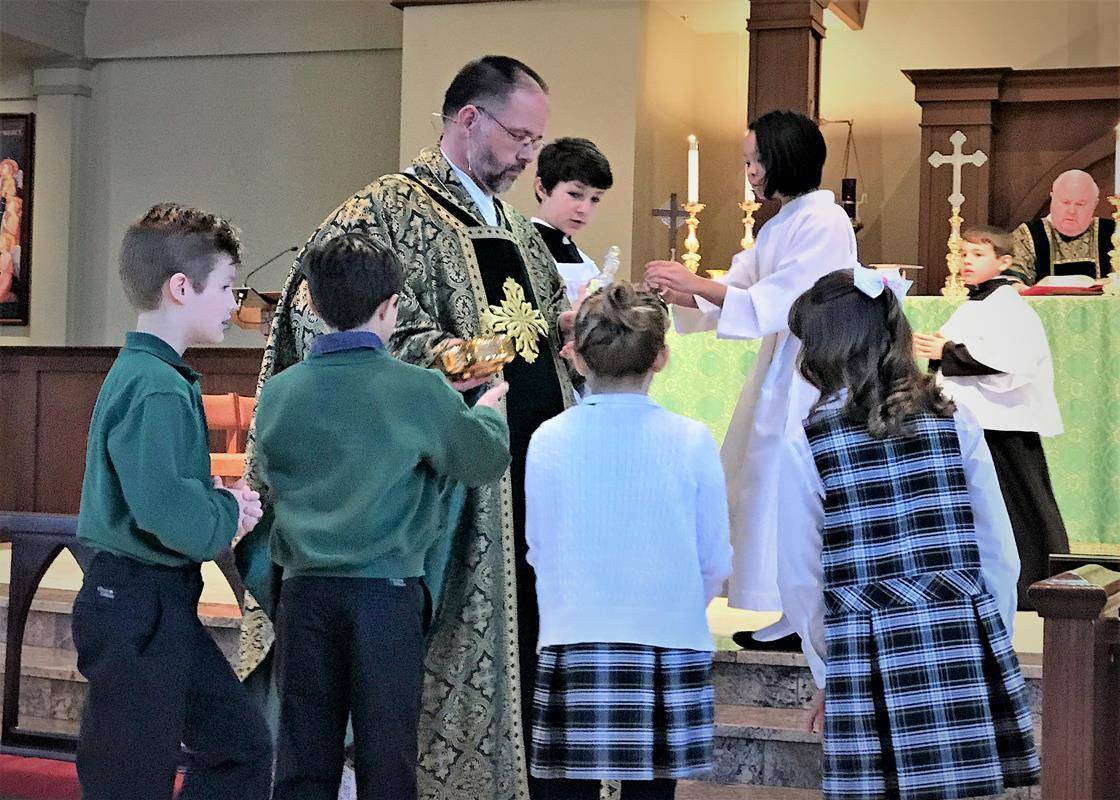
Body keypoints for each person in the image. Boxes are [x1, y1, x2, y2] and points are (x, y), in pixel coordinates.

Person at [234, 55, 580, 800]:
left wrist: (575, 333)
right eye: (519, 137)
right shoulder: (382, 211)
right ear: (469, 119)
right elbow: (313, 312)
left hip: (534, 481)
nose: (529, 156)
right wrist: (445, 359)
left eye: (535, 141)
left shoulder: (522, 229)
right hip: (437, 504)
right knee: (372, 732)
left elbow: (541, 323)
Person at [253, 233, 511, 799]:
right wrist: (487, 411)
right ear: (392, 305)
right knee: (386, 761)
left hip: (303, 597)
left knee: (302, 760)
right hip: (383, 598)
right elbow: (480, 458)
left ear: (314, 306)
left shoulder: (279, 392)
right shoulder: (417, 390)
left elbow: (278, 468)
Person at [780, 266, 1039, 800]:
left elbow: (801, 578)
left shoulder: (806, 443)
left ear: (820, 351)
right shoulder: (956, 421)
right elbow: (998, 550)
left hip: (864, 644)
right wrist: (994, 638)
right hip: (959, 629)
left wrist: (828, 671)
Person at [72, 203, 272, 800]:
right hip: (135, 603)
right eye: (229, 288)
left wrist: (209, 498)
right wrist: (227, 514)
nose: (235, 304)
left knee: (240, 746)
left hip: (153, 602)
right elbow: (164, 513)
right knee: (129, 780)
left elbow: (156, 489)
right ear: (181, 288)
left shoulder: (152, 373)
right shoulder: (155, 385)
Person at [644, 109, 858, 647]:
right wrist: (685, 295)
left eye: (756, 160)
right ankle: (788, 606)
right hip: (782, 369)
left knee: (791, 481)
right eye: (747, 161)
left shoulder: (824, 221)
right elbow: (738, 286)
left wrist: (697, 283)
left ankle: (807, 612)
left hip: (816, 369)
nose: (751, 172)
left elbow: (791, 299)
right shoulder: (781, 222)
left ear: (785, 157)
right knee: (762, 480)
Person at [525, 282, 732, 800]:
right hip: (667, 634)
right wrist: (680, 604)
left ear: (576, 358)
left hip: (575, 632)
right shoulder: (692, 438)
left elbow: (538, 549)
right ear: (661, 358)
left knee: (566, 792)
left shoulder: (548, 436)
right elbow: (714, 557)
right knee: (652, 793)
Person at [914, 226, 1068, 608]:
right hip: (980, 422)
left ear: (1005, 262)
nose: (966, 261)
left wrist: (947, 349)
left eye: (978, 255)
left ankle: (1033, 584)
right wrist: (940, 351)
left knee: (1018, 509)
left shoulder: (1010, 307)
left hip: (1003, 425)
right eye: (964, 254)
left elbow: (1010, 365)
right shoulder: (978, 304)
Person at [531, 137, 614, 303]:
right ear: (542, 188)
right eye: (575, 194)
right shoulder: (521, 250)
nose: (584, 209)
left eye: (595, 199)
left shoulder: (587, 263)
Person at [1007, 169, 1115, 286]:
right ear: (1052, 198)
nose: (1072, 211)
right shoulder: (1027, 235)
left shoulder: (1114, 233)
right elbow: (1014, 278)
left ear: (1095, 204)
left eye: (1080, 204)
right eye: (1065, 202)